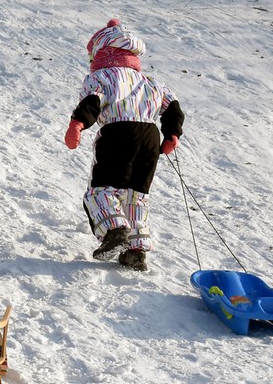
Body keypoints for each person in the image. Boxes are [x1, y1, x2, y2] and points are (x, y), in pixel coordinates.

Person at [63, 19, 184, 271]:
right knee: (136, 196)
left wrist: (78, 124)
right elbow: (172, 107)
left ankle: (115, 230)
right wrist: (172, 134)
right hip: (150, 138)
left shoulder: (101, 76)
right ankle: (135, 251)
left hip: (118, 133)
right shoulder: (149, 81)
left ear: (100, 52)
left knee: (102, 190)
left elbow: (92, 101)